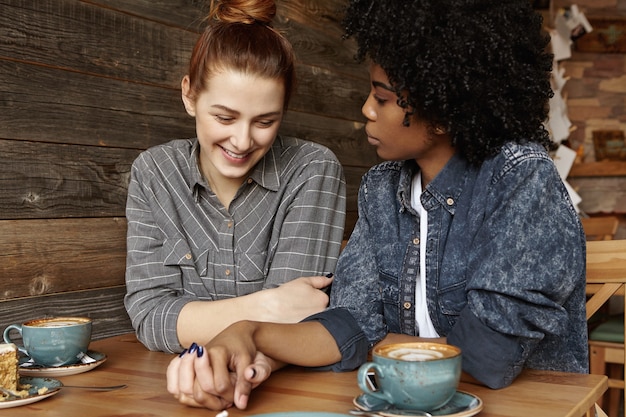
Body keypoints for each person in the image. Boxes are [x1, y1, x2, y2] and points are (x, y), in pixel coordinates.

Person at [166, 0, 588, 410]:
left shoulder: (521, 180)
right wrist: (249, 336)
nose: (366, 108)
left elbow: (486, 359)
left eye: (383, 98)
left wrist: (377, 345)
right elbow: (350, 327)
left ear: (442, 113)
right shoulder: (381, 188)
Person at [124, 0, 346, 354]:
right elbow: (150, 318)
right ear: (189, 96)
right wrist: (261, 307)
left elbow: (294, 321)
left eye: (265, 122)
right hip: (174, 383)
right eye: (225, 118)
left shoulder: (312, 168)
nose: (242, 142)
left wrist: (197, 319)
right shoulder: (154, 173)